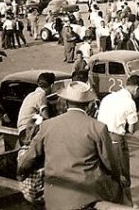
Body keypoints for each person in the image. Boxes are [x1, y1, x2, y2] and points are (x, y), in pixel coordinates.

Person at [17, 81, 125, 209]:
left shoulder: (47, 125)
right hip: (86, 197)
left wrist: (21, 173)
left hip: (54, 196)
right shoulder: (98, 127)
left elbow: (29, 158)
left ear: (66, 102)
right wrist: (118, 179)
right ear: (89, 105)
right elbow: (111, 163)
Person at [97, 75, 139, 206]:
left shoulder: (108, 97)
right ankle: (126, 204)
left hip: (101, 137)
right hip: (116, 138)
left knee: (106, 170)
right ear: (136, 88)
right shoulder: (129, 102)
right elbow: (132, 129)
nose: (138, 94)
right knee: (122, 172)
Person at [17, 72, 55, 146]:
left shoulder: (31, 95)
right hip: (28, 131)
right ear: (52, 85)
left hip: (21, 129)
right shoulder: (41, 96)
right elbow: (46, 118)